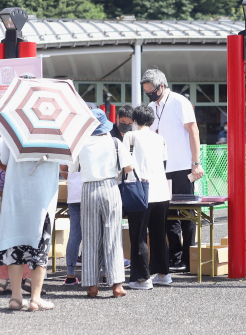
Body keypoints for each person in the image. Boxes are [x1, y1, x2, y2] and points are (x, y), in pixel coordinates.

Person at [141, 68, 204, 272]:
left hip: (183, 166)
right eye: (146, 91)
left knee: (187, 213)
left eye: (151, 90)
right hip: (161, 168)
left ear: (162, 86)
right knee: (167, 214)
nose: (149, 93)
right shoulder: (151, 106)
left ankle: (188, 256)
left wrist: (196, 162)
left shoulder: (179, 101)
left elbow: (193, 130)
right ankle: (174, 256)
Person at [0, 127, 64, 311]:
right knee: (39, 248)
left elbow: (3, 160)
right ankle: (35, 298)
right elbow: (65, 163)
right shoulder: (57, 132)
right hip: (42, 196)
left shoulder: (13, 128)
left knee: (15, 246)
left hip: (16, 194)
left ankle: (16, 297)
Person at [69, 109, 134, 298]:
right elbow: (128, 167)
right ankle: (116, 286)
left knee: (90, 237)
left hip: (88, 189)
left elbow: (72, 169)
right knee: (113, 235)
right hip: (110, 187)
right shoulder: (114, 142)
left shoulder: (81, 144)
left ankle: (92, 286)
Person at [124, 105, 172, 289]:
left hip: (140, 191)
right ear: (151, 121)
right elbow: (163, 162)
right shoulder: (160, 138)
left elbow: (125, 161)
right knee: (159, 234)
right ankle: (163, 274)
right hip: (161, 191)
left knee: (139, 236)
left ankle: (143, 278)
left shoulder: (131, 136)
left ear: (134, 120)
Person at [0, 122, 32, 294]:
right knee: (20, 238)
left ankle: (2, 280)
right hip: (19, 192)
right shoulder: (16, 141)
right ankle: (20, 280)